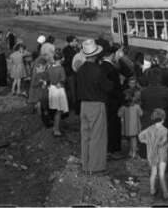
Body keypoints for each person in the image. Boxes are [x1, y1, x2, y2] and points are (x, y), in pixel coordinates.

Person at [75, 38, 111, 174]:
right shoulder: (98, 70)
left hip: (84, 104)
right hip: (96, 104)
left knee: (85, 136)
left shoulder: (81, 69)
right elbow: (107, 87)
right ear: (95, 55)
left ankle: (86, 164)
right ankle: (95, 167)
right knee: (97, 137)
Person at [139, 67, 168, 160]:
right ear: (159, 78)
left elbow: (143, 105)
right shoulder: (165, 90)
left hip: (148, 119)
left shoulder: (144, 91)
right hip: (161, 119)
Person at [139, 108, 168, 199]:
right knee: (161, 174)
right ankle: (166, 193)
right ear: (163, 118)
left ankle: (152, 190)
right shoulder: (164, 130)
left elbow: (140, 137)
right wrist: (165, 144)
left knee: (153, 173)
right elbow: (163, 142)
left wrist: (147, 142)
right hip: (161, 155)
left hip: (152, 155)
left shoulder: (149, 129)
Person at [99, 44, 123, 158]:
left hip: (103, 100)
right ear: (112, 54)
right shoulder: (111, 69)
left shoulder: (101, 66)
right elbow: (114, 88)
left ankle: (106, 149)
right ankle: (113, 150)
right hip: (113, 102)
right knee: (113, 127)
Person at [45, 48, 69, 137]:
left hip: (52, 89)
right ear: (61, 59)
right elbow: (63, 79)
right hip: (59, 90)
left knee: (55, 109)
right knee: (59, 110)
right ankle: (56, 129)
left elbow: (47, 79)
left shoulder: (50, 68)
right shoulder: (61, 68)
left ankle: (55, 126)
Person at [118, 88, 143, 158]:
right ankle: (134, 152)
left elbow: (119, 114)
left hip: (127, 127)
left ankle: (131, 151)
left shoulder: (123, 107)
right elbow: (141, 114)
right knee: (134, 139)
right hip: (135, 127)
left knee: (130, 139)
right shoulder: (137, 107)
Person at [62, 36, 80, 112]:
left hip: (71, 72)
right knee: (73, 90)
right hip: (71, 72)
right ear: (71, 42)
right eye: (75, 41)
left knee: (73, 89)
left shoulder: (68, 49)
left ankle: (74, 105)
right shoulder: (69, 50)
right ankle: (75, 107)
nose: (76, 42)